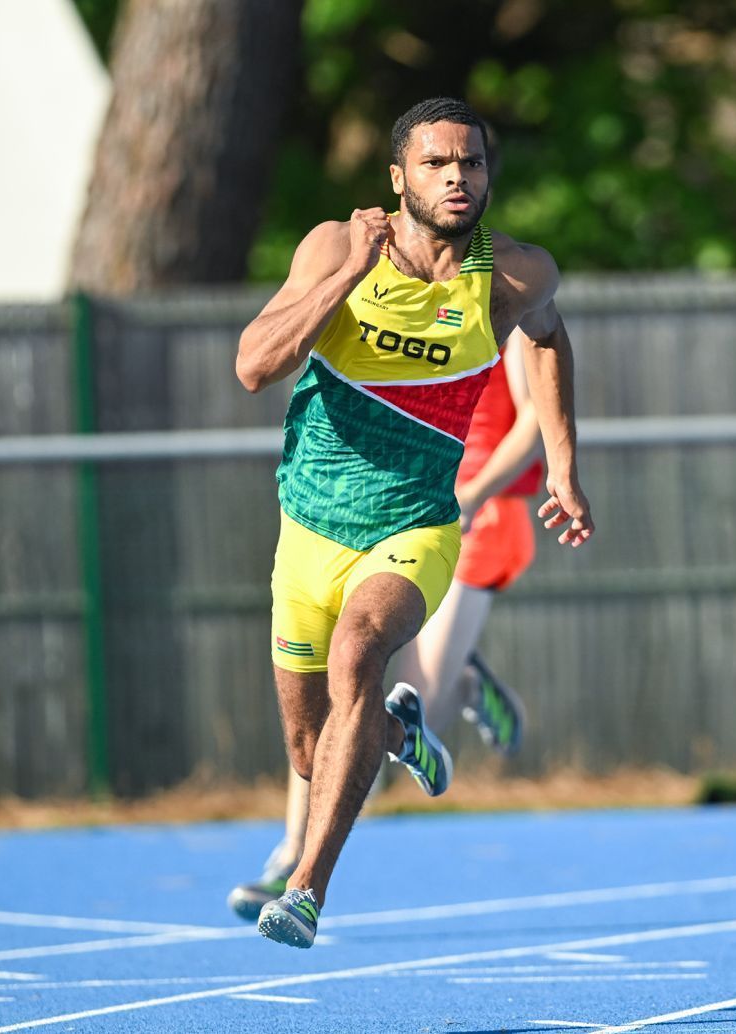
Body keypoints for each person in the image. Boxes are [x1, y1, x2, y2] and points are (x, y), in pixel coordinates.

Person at [232, 97, 592, 949]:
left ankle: (307, 891)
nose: (457, 177)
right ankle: (401, 733)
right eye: (436, 164)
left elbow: (547, 339)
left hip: (418, 525)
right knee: (310, 751)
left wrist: (567, 467)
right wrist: (347, 276)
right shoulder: (334, 246)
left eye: (470, 163)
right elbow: (254, 365)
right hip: (309, 530)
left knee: (361, 649)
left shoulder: (513, 275)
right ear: (398, 178)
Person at [227, 329, 545, 925]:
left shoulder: (502, 294)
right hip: (389, 505)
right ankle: (291, 850)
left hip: (470, 509)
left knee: (405, 695)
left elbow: (535, 421)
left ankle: (464, 687)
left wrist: (474, 494)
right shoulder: (389, 289)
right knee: (339, 699)